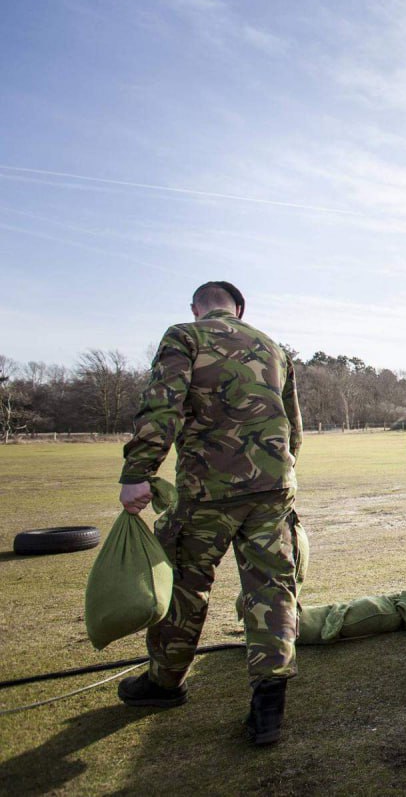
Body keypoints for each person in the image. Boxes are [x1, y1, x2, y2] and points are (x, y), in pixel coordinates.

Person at [115, 281, 303, 747]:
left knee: (185, 582)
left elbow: (163, 406)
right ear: (239, 309)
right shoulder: (273, 347)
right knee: (273, 588)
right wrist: (280, 470)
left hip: (209, 489)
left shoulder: (185, 336)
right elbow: (292, 425)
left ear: (197, 308)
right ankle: (269, 706)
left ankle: (165, 681)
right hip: (273, 487)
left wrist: (139, 470)